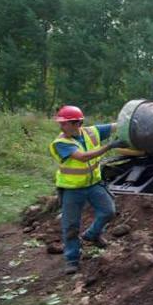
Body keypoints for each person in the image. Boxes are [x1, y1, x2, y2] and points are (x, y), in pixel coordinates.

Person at [49, 105, 125, 274]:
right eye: (60, 123)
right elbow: (83, 158)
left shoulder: (91, 132)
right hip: (72, 189)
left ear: (77, 123)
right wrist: (109, 146)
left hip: (93, 184)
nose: (61, 127)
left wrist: (132, 120)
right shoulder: (61, 142)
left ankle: (92, 235)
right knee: (71, 225)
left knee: (108, 211)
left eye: (65, 123)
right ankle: (72, 259)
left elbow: (116, 126)